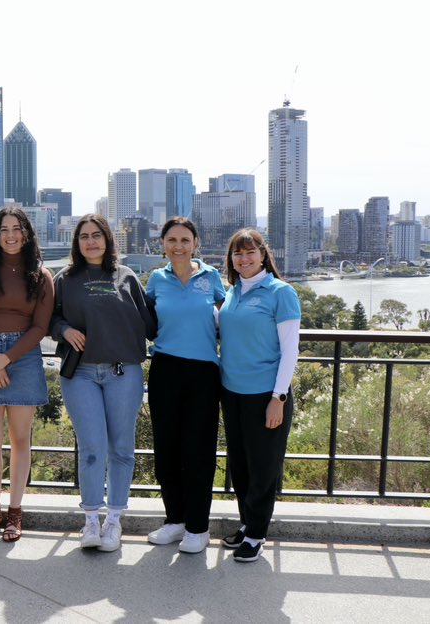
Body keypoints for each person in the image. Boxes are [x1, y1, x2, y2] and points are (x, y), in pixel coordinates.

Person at [50, 214, 156, 552]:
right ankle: (91, 520)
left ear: (108, 239)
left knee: (122, 449)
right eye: (84, 236)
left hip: (123, 373)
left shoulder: (126, 276)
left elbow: (152, 321)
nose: (91, 242)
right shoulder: (65, 279)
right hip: (80, 373)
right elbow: (49, 318)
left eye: (97, 235)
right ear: (76, 243)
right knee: (92, 448)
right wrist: (64, 330)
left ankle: (114, 520)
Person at [0, 206, 54, 542]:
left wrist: (7, 358)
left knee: (20, 440)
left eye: (17, 229)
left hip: (24, 357)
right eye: (4, 229)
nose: (11, 235)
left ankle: (15, 513)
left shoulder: (41, 276)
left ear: (27, 233)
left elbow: (41, 327)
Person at [218, 228, 301, 562]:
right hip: (231, 392)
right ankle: (247, 523)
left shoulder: (281, 292)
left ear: (264, 255)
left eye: (250, 252)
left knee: (263, 466)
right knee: (240, 464)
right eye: (238, 253)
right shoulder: (233, 291)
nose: (244, 258)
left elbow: (290, 350)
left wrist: (278, 398)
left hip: (266, 394)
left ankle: (256, 533)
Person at [144, 217, 226, 553]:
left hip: (203, 372)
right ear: (163, 244)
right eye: (172, 240)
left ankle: (198, 527)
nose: (178, 246)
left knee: (199, 450)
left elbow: (231, 316)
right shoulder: (156, 279)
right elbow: (144, 319)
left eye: (185, 240)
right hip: (165, 369)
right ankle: (175, 520)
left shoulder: (211, 277)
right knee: (166, 450)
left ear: (195, 244)